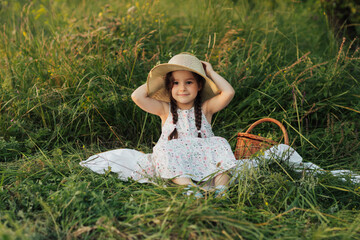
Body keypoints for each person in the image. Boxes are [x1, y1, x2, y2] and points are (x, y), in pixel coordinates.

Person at [80, 53, 239, 198]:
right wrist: (162, 80)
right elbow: (137, 96)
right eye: (175, 83)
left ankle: (221, 189)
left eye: (189, 82)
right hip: (178, 161)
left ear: (199, 86)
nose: (182, 88)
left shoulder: (206, 108)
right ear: (169, 87)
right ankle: (190, 188)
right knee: (163, 148)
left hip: (202, 159)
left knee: (219, 142)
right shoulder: (165, 109)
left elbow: (228, 93)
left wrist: (210, 72)